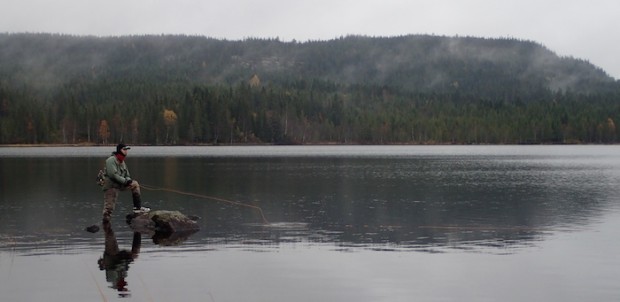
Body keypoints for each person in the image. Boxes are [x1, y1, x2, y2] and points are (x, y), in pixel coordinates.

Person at [102, 143, 150, 222]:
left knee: (135, 184)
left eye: (126, 150)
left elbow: (127, 174)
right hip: (111, 186)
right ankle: (105, 223)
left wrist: (129, 181)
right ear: (119, 150)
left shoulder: (122, 162)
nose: (126, 151)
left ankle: (137, 208)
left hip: (120, 184)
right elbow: (113, 175)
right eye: (124, 149)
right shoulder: (110, 160)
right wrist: (125, 181)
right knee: (109, 208)